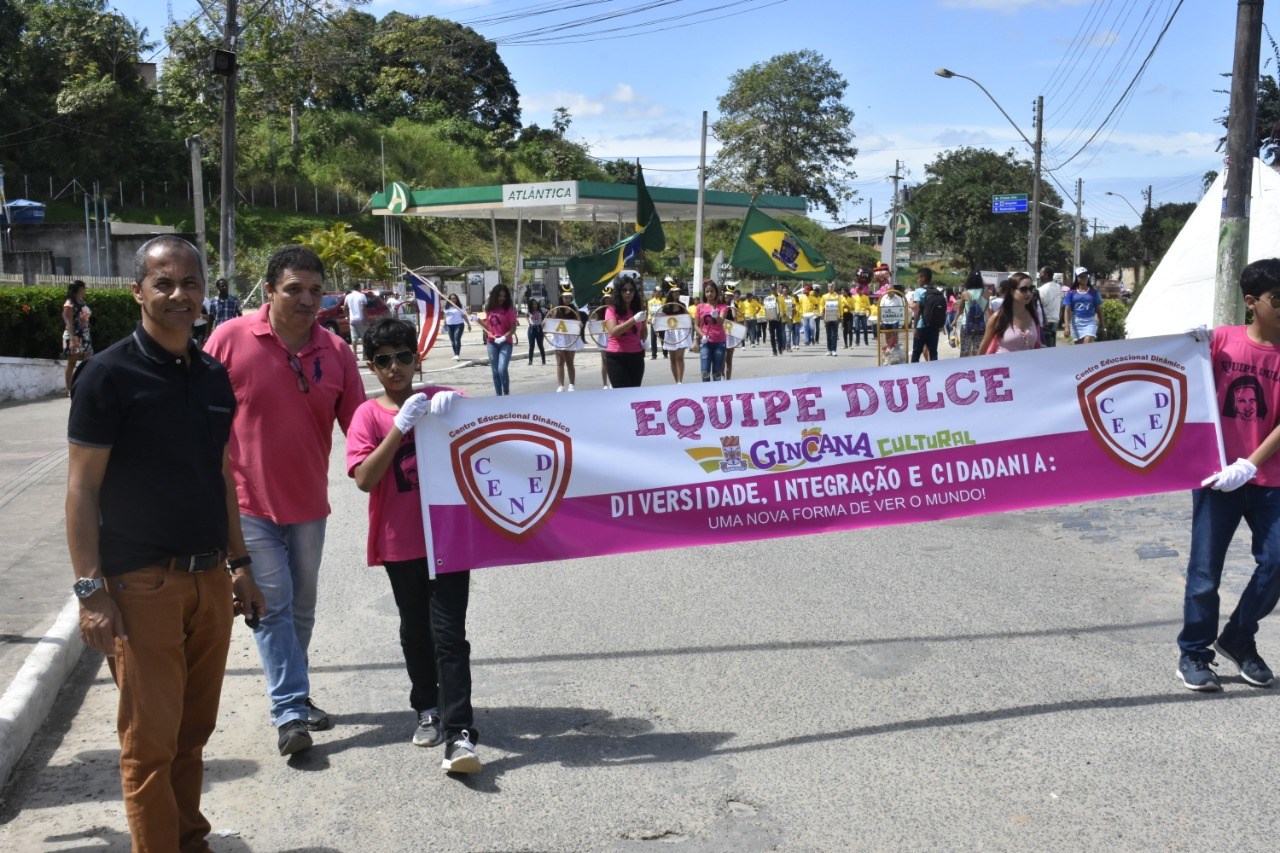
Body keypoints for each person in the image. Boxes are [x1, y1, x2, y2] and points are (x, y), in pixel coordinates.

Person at [66, 235, 265, 850]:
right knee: (150, 744)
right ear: (138, 291)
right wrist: (91, 590)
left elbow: (223, 479)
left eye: (191, 283)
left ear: (205, 291)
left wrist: (239, 564)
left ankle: (189, 838)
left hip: (209, 580)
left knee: (192, 732)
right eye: (164, 283)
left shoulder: (210, 375)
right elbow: (80, 490)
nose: (180, 295)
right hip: (140, 583)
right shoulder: (107, 375)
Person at [205, 245, 366, 757]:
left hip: (309, 505)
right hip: (245, 504)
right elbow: (194, 413)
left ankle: (294, 692)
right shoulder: (229, 339)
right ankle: (290, 710)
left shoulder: (336, 351)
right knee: (272, 605)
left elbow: (362, 427)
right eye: (294, 288)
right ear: (270, 290)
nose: (306, 299)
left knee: (302, 608)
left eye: (315, 290)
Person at [345, 317, 482, 770]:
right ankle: (426, 706)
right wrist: (399, 428)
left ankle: (460, 731)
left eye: (404, 356)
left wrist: (456, 403)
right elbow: (365, 478)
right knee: (415, 631)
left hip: (447, 537)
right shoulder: (367, 415)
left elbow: (483, 431)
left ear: (417, 359)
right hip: (399, 541)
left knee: (449, 634)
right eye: (384, 361)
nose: (395, 367)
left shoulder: (441, 400)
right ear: (372, 367)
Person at [1178, 258, 1280, 692]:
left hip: (1270, 478)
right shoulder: (1220, 342)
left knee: (1277, 561)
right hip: (1215, 479)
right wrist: (1187, 346)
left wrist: (1251, 464)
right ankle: (1194, 654)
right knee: (1205, 573)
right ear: (1252, 303)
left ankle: (1239, 635)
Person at [603, 270, 648, 388]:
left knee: (634, 392)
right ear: (619, 292)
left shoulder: (637, 310)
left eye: (631, 290)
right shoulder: (611, 310)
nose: (628, 293)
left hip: (636, 355)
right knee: (622, 392)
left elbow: (643, 335)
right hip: (617, 357)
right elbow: (614, 332)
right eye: (624, 290)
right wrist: (634, 319)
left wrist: (644, 322)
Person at [978, 278, 1041, 355]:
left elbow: (1037, 345)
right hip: (1003, 365)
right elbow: (983, 347)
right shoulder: (998, 317)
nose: (1028, 293)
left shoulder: (1034, 314)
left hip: (1029, 365)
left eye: (1031, 289)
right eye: (1023, 289)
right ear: (1012, 291)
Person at [547, 284, 585, 392]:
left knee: (570, 362)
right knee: (560, 361)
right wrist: (545, 325)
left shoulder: (574, 309)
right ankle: (560, 385)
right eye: (565, 297)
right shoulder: (556, 309)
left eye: (569, 297)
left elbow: (579, 322)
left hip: (570, 338)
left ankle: (572, 384)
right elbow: (550, 323)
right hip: (559, 338)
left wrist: (580, 325)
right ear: (561, 298)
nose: (567, 299)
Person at [482, 284, 518, 396]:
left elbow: (513, 328)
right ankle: (498, 396)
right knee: (495, 371)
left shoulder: (509, 310)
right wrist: (477, 320)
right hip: (492, 343)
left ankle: (506, 392)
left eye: (504, 296)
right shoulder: (489, 309)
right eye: (499, 296)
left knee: (502, 369)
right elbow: (488, 327)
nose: (502, 298)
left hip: (505, 343)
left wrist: (504, 337)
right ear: (494, 296)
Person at [62, 279, 93, 397]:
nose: (86, 290)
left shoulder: (82, 301)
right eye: (85, 288)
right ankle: (70, 389)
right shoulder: (69, 304)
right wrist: (71, 341)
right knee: (72, 362)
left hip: (84, 335)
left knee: (89, 361)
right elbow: (68, 323)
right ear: (80, 289)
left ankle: (86, 386)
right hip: (74, 336)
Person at [695, 280, 730, 382]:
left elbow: (721, 322)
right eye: (707, 291)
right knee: (705, 372)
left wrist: (716, 316)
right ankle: (706, 395)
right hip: (705, 343)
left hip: (719, 343)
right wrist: (702, 335)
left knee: (717, 373)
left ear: (716, 293)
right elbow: (696, 325)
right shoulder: (700, 307)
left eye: (712, 291)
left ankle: (716, 394)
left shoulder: (722, 307)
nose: (709, 294)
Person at [910, 267, 946, 363]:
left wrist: (915, 327)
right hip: (934, 327)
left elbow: (917, 310)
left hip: (921, 326)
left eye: (919, 278)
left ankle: (914, 375)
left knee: (916, 353)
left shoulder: (919, 291)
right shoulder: (938, 292)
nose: (918, 280)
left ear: (923, 278)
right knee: (933, 353)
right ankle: (934, 374)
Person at [660, 285, 693, 383]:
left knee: (679, 357)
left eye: (678, 292)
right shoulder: (666, 307)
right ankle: (676, 381)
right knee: (673, 359)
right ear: (671, 293)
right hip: (670, 334)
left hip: (681, 333)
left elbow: (688, 318)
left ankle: (680, 381)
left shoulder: (682, 305)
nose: (676, 294)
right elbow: (661, 320)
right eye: (674, 292)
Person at [1064, 266, 1103, 343]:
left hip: (1090, 322)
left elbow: (1098, 309)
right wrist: (1067, 326)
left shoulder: (1093, 293)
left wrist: (1102, 326)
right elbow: (1067, 310)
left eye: (1085, 276)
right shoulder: (1071, 293)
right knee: (1080, 350)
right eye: (1081, 276)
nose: (1084, 278)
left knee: (1087, 344)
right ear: (1077, 278)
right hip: (1076, 322)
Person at [957, 272, 988, 358]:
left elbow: (960, 310)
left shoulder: (965, 293)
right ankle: (977, 369)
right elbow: (986, 310)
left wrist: (954, 321)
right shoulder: (986, 293)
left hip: (966, 326)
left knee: (964, 350)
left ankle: (963, 369)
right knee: (977, 351)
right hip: (981, 326)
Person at [1037, 266, 1061, 347]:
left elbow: (1038, 307)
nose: (1039, 275)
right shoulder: (1058, 287)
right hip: (1055, 321)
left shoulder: (1040, 290)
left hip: (1044, 323)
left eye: (1040, 273)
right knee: (1051, 347)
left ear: (1046, 275)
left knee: (1044, 347)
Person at [443, 293, 471, 361]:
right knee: (452, 341)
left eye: (455, 298)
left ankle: (457, 355)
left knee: (456, 339)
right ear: (449, 299)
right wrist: (444, 323)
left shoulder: (460, 307)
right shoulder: (446, 307)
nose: (453, 300)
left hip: (459, 324)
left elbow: (464, 316)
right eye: (452, 298)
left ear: (457, 299)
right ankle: (455, 354)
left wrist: (469, 324)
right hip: (450, 325)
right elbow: (445, 316)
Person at [344, 283, 368, 352]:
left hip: (352, 320)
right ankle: (364, 355)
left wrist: (348, 317)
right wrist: (366, 319)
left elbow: (344, 308)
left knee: (354, 337)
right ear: (359, 288)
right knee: (364, 337)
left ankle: (355, 355)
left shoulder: (348, 296)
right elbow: (363, 308)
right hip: (361, 319)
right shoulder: (362, 296)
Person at [821, 281, 842, 356]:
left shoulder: (837, 296)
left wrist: (841, 316)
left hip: (835, 316)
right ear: (827, 287)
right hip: (827, 316)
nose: (831, 288)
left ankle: (834, 350)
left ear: (834, 287)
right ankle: (829, 350)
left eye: (832, 286)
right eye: (830, 287)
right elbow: (821, 305)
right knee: (828, 334)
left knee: (834, 334)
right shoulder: (824, 296)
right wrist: (822, 312)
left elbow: (840, 306)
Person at [648, 281, 669, 359]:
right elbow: (649, 311)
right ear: (654, 292)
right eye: (657, 292)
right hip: (654, 321)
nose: (659, 293)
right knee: (653, 338)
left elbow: (666, 310)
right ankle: (654, 355)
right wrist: (649, 319)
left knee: (663, 337)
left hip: (662, 322)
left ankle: (665, 353)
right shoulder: (650, 302)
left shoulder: (663, 301)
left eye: (660, 292)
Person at [764, 284, 786, 355]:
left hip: (779, 318)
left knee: (779, 335)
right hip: (771, 319)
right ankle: (774, 351)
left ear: (776, 289)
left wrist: (785, 314)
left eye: (774, 289)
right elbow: (766, 308)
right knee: (772, 336)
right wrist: (766, 317)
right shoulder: (768, 298)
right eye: (772, 289)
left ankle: (780, 349)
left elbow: (784, 307)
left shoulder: (781, 298)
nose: (773, 290)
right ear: (771, 290)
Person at [526, 297, 546, 366]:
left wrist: (544, 321)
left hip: (539, 328)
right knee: (531, 345)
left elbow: (549, 312)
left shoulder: (541, 310)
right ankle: (530, 360)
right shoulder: (529, 311)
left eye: (535, 304)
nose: (534, 306)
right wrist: (528, 322)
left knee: (540, 345)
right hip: (531, 329)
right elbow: (526, 315)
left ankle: (543, 360)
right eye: (533, 304)